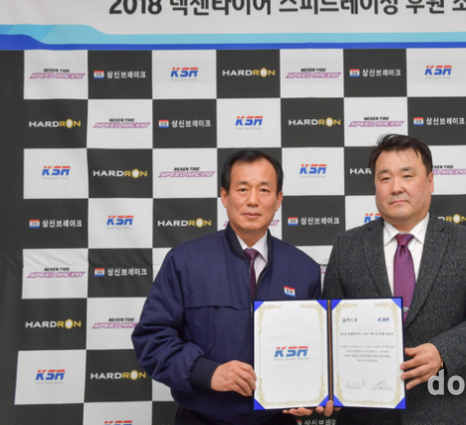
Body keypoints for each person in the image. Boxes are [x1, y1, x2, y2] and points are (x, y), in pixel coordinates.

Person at [323, 134, 466, 425]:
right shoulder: (347, 246)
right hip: (365, 415)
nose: (396, 187)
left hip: (442, 412)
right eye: (385, 178)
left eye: (407, 176)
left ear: (430, 182)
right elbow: (328, 329)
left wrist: (443, 352)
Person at [133, 150, 323, 425]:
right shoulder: (184, 261)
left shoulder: (305, 269)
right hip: (201, 419)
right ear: (224, 196)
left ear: (278, 199)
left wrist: (309, 393)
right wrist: (206, 372)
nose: (253, 200)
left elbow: (315, 350)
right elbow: (152, 339)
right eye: (243, 189)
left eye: (264, 190)